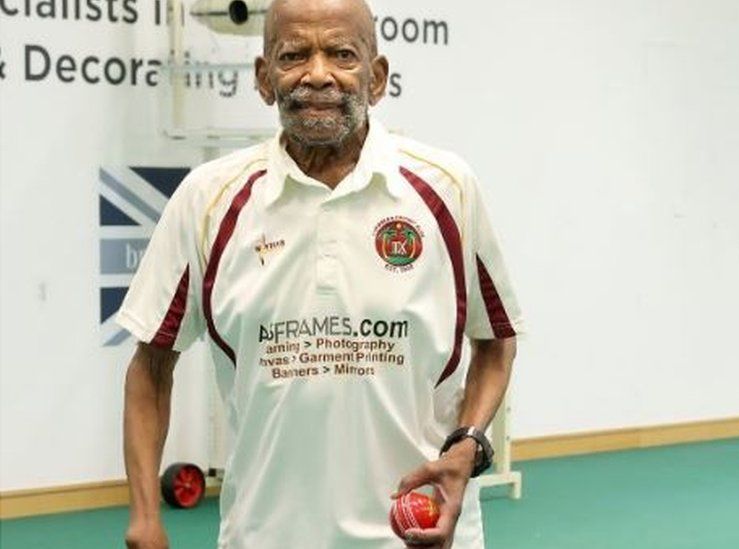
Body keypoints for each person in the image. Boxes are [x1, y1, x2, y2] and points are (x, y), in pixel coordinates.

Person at [120, 0, 523, 547]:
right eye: (293, 55)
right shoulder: (207, 199)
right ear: (264, 79)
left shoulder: (447, 188)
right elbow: (150, 367)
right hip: (264, 535)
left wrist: (467, 446)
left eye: (341, 53)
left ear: (376, 78)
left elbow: (495, 342)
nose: (317, 74)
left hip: (419, 534)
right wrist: (145, 515)